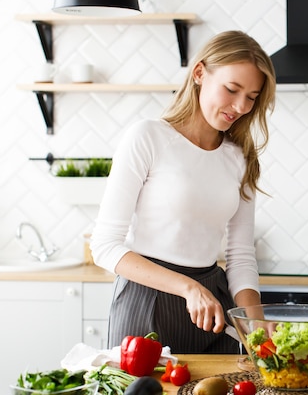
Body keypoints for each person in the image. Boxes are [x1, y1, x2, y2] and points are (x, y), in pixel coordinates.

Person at [90, 30, 276, 354]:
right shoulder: (148, 137)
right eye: (232, 89)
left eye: (251, 96)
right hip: (147, 303)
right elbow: (104, 246)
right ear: (200, 73)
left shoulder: (241, 157)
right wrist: (187, 287)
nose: (241, 106)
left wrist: (255, 323)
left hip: (212, 305)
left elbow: (241, 254)